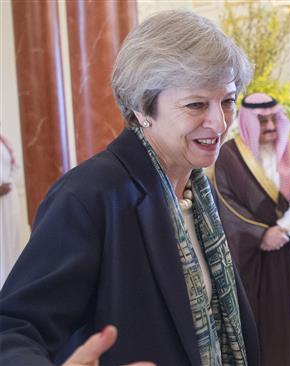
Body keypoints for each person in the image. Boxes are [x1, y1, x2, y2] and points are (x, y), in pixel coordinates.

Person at [0, 11, 260, 366]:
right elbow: (13, 329)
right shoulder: (88, 197)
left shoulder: (198, 191)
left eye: (227, 100)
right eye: (196, 104)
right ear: (141, 108)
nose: (219, 122)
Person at [213, 93, 290, 366]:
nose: (271, 127)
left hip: (288, 249)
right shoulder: (229, 155)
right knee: (261, 322)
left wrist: (283, 229)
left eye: (274, 119)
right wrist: (261, 234)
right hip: (254, 257)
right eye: (262, 121)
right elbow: (226, 203)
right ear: (247, 122)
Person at [0, 133, 21, 287]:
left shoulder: (4, 138)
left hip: (8, 198)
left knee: (11, 242)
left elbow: (15, 166)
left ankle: (9, 285)